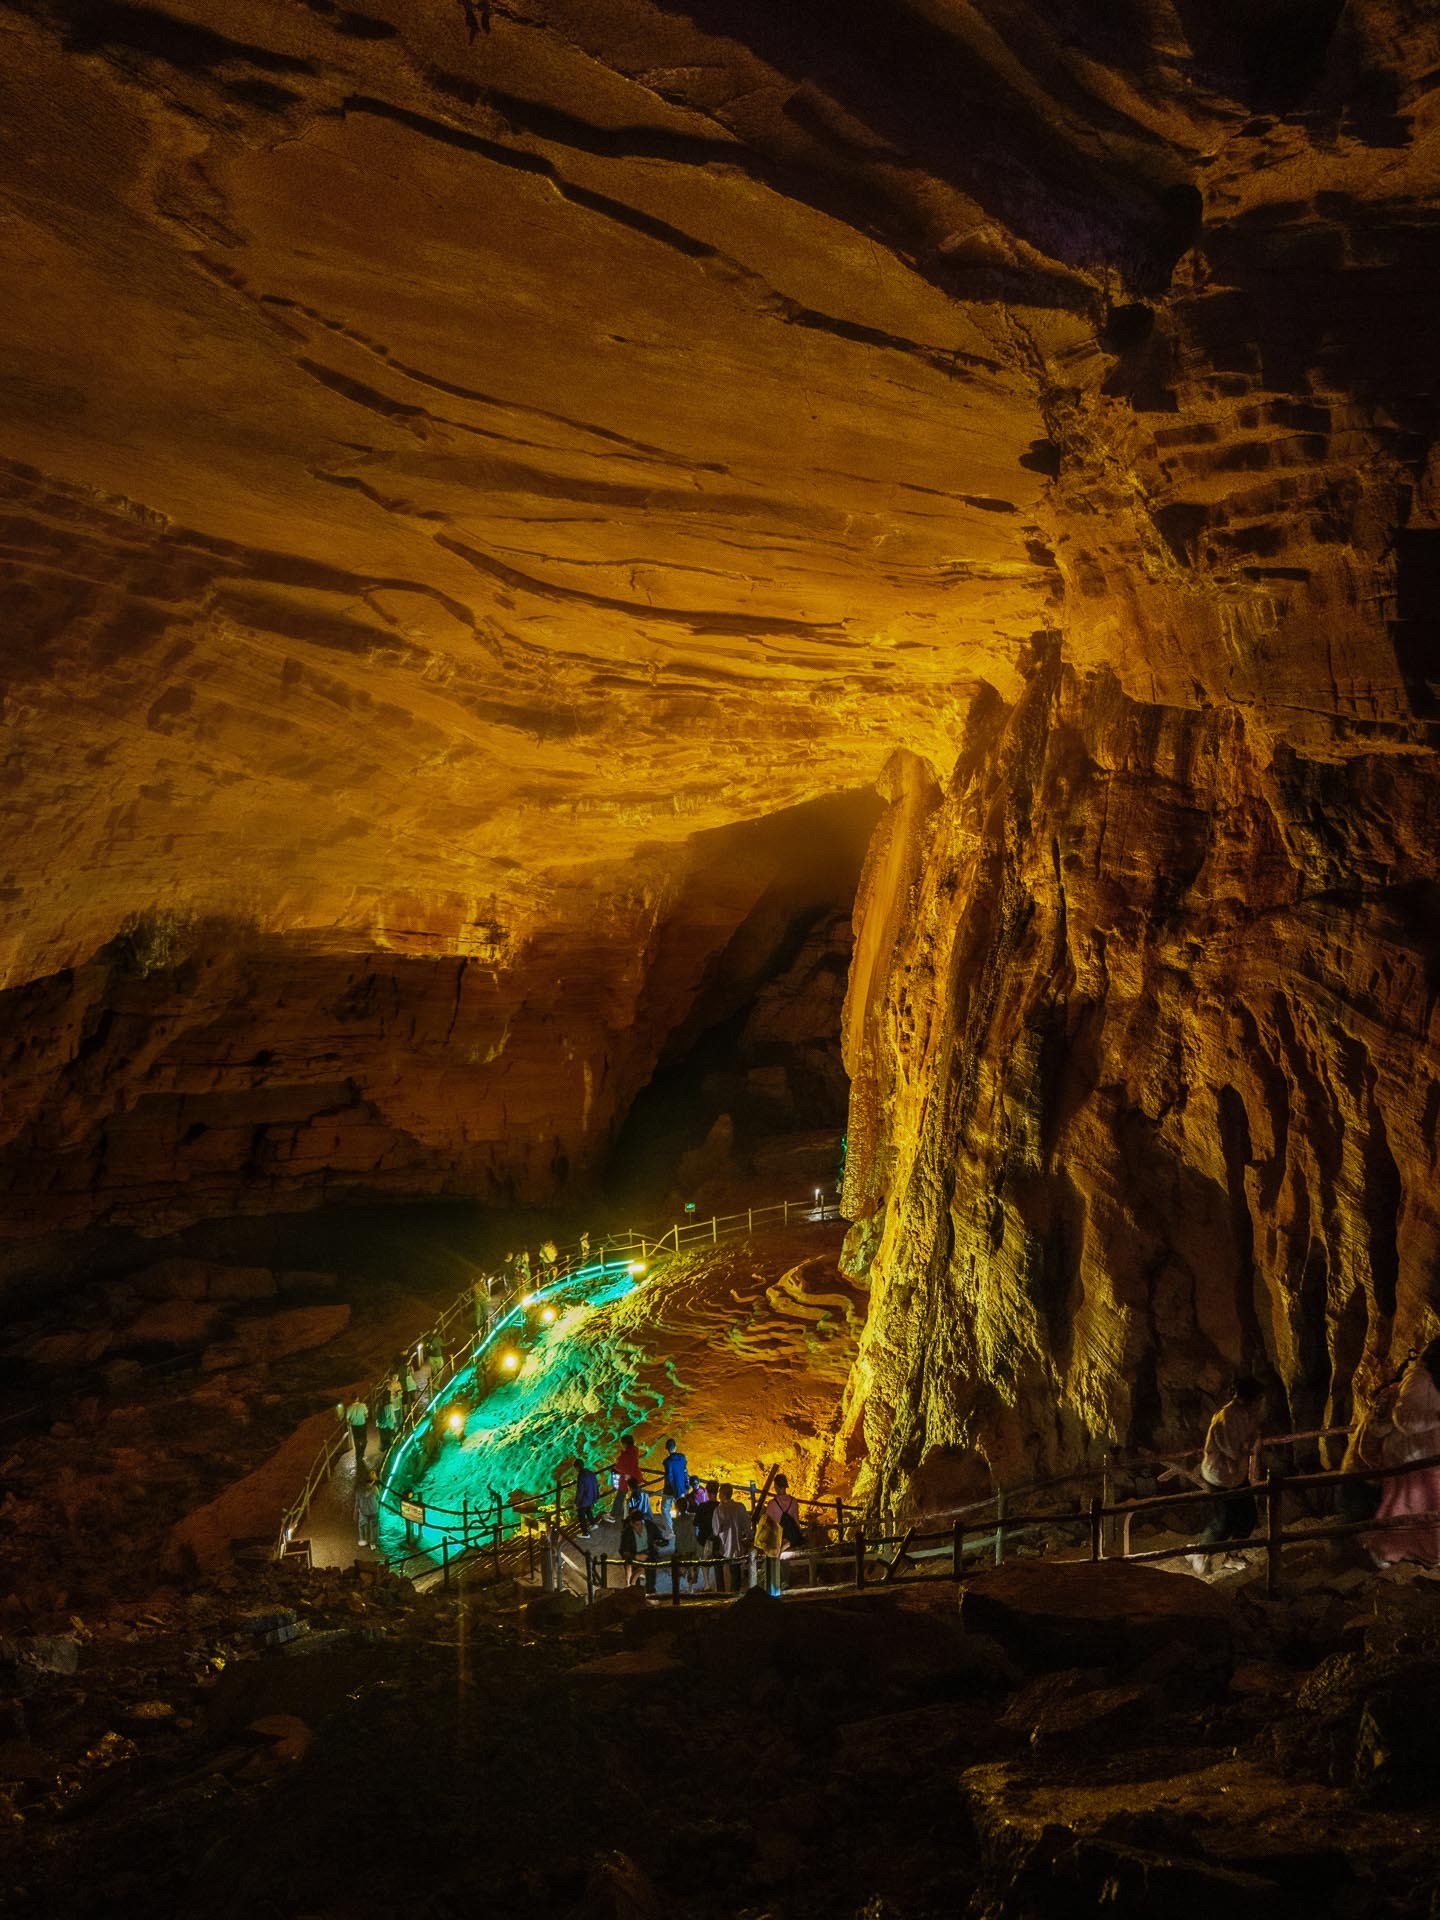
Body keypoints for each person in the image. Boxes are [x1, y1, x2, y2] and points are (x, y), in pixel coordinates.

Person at [1369, 1338, 1440, 1567]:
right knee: (1405, 1506)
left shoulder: (1433, 1380)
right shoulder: (1418, 1378)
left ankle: (1430, 1552)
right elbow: (1404, 1419)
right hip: (1408, 1455)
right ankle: (1386, 1549)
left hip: (1426, 1454)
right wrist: (1436, 1419)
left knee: (1429, 1505)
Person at [1190, 1376, 1266, 1574]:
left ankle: (1232, 1555)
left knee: (1248, 1517)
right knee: (1223, 1522)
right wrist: (1248, 1446)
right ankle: (1201, 1552)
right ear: (1248, 1398)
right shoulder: (1226, 1417)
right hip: (1219, 1475)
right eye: (1258, 1399)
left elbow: (1252, 1437)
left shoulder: (1245, 1414)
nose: (1260, 1403)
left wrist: (1249, 1444)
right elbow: (1232, 1449)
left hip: (1235, 1476)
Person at [711, 1482, 751, 1594]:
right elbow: (747, 1526)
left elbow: (716, 1531)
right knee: (735, 1572)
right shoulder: (740, 1507)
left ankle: (721, 1594)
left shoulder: (719, 1510)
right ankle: (734, 1595)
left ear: (722, 1495)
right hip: (737, 1545)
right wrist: (748, 1538)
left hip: (722, 1546)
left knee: (719, 1570)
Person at [612, 1433, 642, 1518]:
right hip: (634, 1476)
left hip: (627, 1478)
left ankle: (614, 1514)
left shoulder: (626, 1455)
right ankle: (636, 1512)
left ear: (625, 1444)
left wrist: (617, 1464)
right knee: (635, 1494)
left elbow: (619, 1466)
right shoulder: (635, 1451)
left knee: (621, 1495)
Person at [661, 1436, 689, 1521]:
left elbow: (669, 1477)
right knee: (682, 1508)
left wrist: (672, 1490)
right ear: (675, 1447)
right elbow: (685, 1470)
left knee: (665, 1509)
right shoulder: (682, 1457)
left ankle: (671, 1529)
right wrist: (686, 1485)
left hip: (671, 1490)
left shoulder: (667, 1462)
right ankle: (683, 1526)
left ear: (667, 1449)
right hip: (682, 1488)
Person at [575, 1456, 601, 1535]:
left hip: (585, 1499)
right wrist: (596, 1496)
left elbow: (580, 1491)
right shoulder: (590, 1472)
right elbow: (596, 1485)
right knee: (588, 1510)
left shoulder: (581, 1476)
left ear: (576, 1468)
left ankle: (585, 1533)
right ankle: (593, 1524)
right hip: (591, 1496)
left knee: (581, 1515)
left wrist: (576, 1502)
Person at [355, 1470, 379, 1550]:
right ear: (372, 1481)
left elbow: (357, 1501)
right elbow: (378, 1498)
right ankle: (373, 1543)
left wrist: (355, 1511)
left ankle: (363, 1540)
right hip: (373, 1510)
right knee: (374, 1526)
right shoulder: (375, 1489)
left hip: (363, 1510)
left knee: (362, 1525)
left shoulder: (359, 1489)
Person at [342, 1393, 369, 1464]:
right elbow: (366, 1415)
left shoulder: (349, 1408)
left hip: (354, 1426)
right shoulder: (363, 1405)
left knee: (356, 1440)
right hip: (362, 1424)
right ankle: (362, 1453)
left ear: (352, 1399)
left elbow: (347, 1418)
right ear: (357, 1398)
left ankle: (358, 1454)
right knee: (364, 1440)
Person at [375, 1387, 400, 1460]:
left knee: (383, 1440)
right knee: (390, 1441)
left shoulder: (379, 1405)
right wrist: (393, 1426)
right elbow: (391, 1417)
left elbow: (377, 1415)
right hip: (388, 1426)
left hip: (380, 1425)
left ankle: (384, 1455)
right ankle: (390, 1457)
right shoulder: (389, 1405)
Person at [412, 1349, 433, 1414]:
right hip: (422, 1390)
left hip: (422, 1390)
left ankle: (423, 1409)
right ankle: (422, 1410)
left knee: (423, 1396)